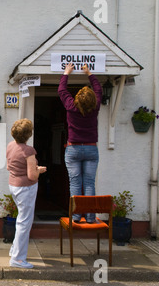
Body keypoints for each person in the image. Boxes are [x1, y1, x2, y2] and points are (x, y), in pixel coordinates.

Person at [58, 63, 103, 223]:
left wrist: (66, 73)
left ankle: (76, 216)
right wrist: (89, 73)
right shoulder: (95, 107)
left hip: (73, 149)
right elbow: (99, 90)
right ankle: (90, 217)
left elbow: (62, 91)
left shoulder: (71, 106)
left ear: (77, 98)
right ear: (92, 100)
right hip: (91, 149)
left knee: (75, 183)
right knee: (89, 183)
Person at [6, 119, 47, 269]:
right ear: (28, 134)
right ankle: (18, 259)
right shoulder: (29, 151)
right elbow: (32, 176)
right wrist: (39, 170)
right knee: (24, 223)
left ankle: (14, 251)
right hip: (25, 189)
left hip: (14, 186)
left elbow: (8, 167)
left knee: (20, 220)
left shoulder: (10, 146)